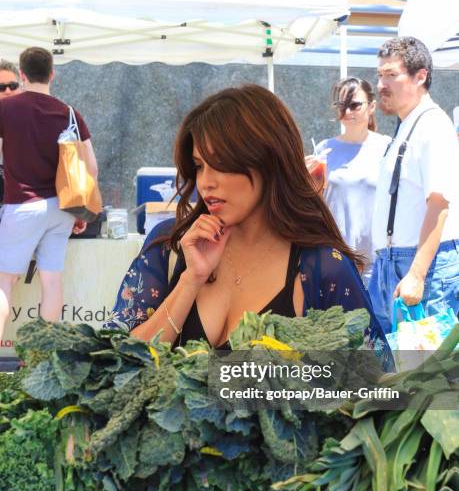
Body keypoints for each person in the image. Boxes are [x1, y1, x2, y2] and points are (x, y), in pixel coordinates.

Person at [105, 84, 385, 350]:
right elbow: (118, 362)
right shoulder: (171, 244)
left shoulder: (322, 267)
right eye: (200, 166)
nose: (206, 182)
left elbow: (372, 385)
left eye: (222, 165)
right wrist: (190, 280)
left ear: (269, 162)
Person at [0, 47, 98, 341]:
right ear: (52, 73)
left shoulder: (7, 109)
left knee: (4, 283)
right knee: (52, 281)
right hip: (62, 209)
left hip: (23, 206)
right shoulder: (70, 113)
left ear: (23, 75)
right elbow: (91, 168)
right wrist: (82, 213)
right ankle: (41, 360)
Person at [369, 36, 459, 334]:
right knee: (396, 374)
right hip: (390, 265)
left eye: (391, 75)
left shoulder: (433, 126)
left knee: (426, 375)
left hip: (422, 267)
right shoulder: (407, 124)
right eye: (380, 74)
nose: (382, 83)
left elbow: (439, 205)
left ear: (421, 77)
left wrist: (417, 274)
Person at [305, 77, 390, 285]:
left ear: (371, 107)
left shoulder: (387, 147)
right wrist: (304, 179)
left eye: (354, 105)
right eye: (342, 105)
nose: (348, 112)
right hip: (336, 260)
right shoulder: (324, 149)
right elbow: (313, 202)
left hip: (377, 262)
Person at [0, 60, 22, 204]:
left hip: (22, 202)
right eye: (1, 87)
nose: (8, 91)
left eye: (13, 86)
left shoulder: (31, 116)